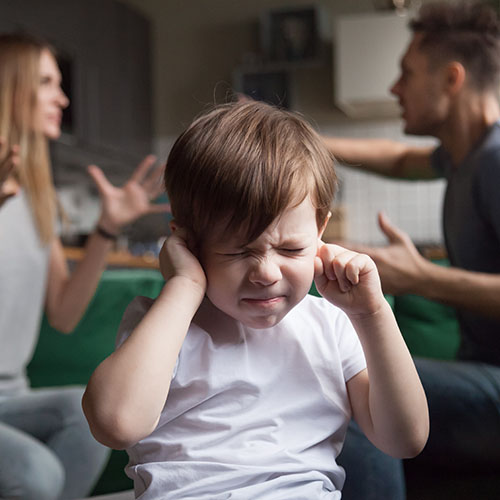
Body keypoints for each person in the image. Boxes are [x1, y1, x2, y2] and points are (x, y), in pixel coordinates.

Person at [82, 100, 428, 499]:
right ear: (187, 242)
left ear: (320, 230)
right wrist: (185, 287)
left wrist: (372, 313)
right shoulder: (163, 325)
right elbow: (114, 424)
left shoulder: (332, 325)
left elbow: (405, 439)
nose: (266, 272)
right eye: (238, 251)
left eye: (292, 250)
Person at [322, 1, 500, 498]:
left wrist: (419, 277)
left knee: (355, 383)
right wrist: (300, 138)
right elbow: (400, 158)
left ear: (451, 79)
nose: (394, 89)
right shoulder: (462, 157)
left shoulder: (495, 160)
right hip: (482, 376)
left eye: (406, 74)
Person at [0, 33, 169, 500]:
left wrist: (106, 230)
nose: (63, 97)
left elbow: (64, 312)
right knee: (37, 474)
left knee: (87, 415)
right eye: (47, 82)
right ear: (11, 88)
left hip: (11, 397)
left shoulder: (38, 197)